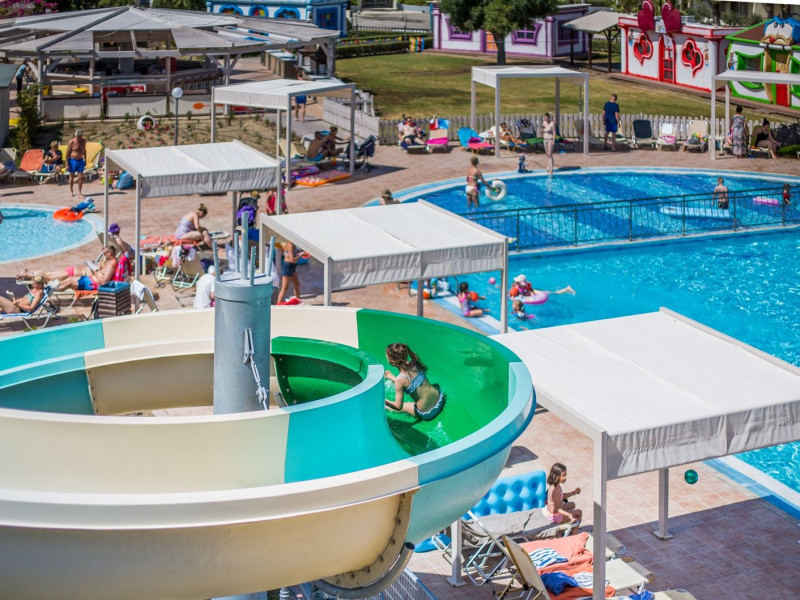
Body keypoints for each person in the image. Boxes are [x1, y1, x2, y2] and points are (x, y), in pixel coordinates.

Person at [384, 342, 446, 421]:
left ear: (392, 362)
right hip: (440, 400)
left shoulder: (400, 380)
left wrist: (383, 400)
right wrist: (394, 378)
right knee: (433, 386)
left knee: (403, 407)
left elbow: (398, 406)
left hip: (428, 413)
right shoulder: (414, 362)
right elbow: (411, 381)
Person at [21, 246, 118, 292]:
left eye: (105, 253)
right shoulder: (108, 262)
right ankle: (31, 276)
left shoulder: (111, 264)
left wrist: (95, 270)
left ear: (110, 253)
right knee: (50, 276)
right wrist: (96, 268)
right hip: (88, 278)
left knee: (52, 277)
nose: (103, 255)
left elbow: (104, 281)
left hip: (91, 281)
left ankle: (43, 287)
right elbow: (103, 274)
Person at [543, 463, 582, 534]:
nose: (565, 478)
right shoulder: (554, 490)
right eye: (563, 475)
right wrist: (569, 515)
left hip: (555, 511)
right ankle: (574, 535)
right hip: (555, 517)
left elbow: (562, 496)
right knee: (579, 512)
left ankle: (570, 529)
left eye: (565, 475)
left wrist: (574, 492)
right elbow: (557, 509)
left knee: (572, 504)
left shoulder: (556, 485)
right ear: (556, 476)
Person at [509, 274, 574, 299]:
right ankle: (566, 289)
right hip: (525, 296)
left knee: (553, 293)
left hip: (534, 292)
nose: (524, 285)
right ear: (518, 283)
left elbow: (531, 289)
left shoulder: (527, 284)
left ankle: (567, 289)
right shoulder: (515, 289)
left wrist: (532, 293)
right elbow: (512, 298)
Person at [66, 129, 87, 198]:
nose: (79, 138)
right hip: (72, 160)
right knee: (71, 176)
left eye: (80, 136)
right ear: (76, 136)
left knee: (80, 177)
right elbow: (67, 153)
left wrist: (85, 160)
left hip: (80, 160)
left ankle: (79, 193)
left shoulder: (84, 141)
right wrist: (67, 163)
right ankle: (71, 191)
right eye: (78, 137)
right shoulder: (72, 141)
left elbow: (84, 151)